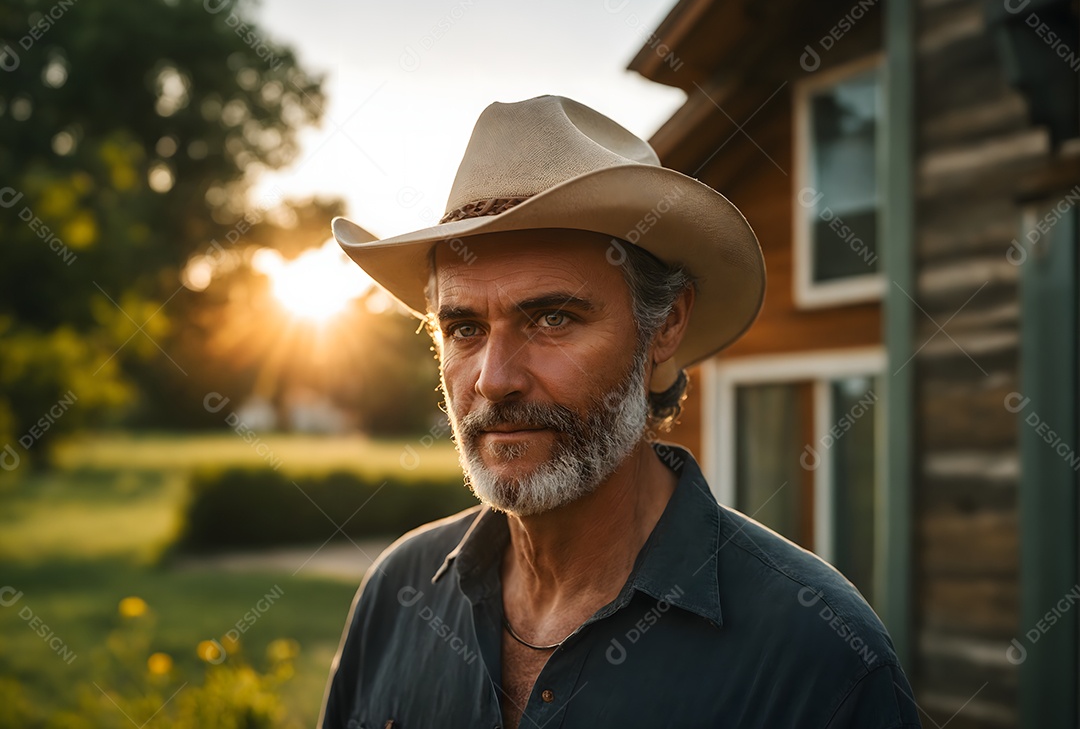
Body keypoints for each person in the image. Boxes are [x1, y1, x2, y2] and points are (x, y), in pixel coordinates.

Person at [320, 95, 921, 728]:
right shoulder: (397, 596)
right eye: (465, 328)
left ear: (664, 325)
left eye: (552, 318)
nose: (494, 381)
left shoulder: (820, 658)